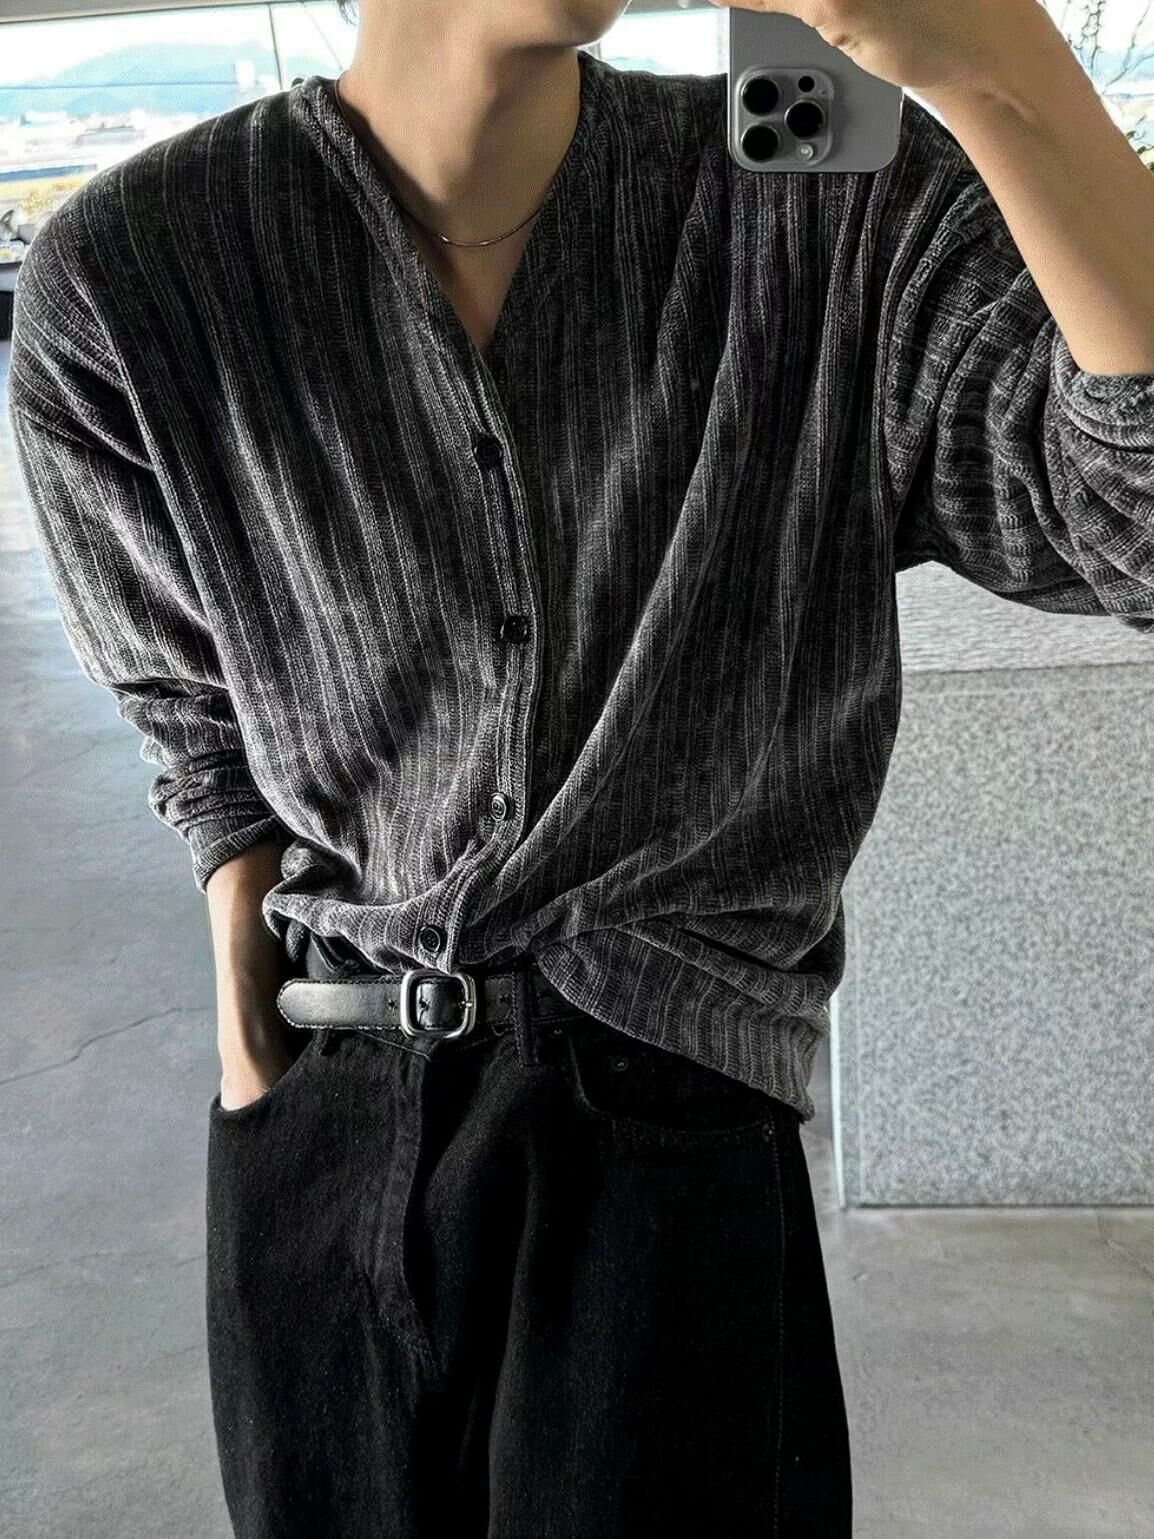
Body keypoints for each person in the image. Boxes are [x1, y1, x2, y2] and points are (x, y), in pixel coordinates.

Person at [9, 0, 1152, 1530]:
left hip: (671, 1118)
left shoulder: (822, 215)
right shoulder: (137, 269)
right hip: (325, 1105)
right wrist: (252, 1034)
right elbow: (192, 711)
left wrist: (1001, 71)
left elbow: (1133, 525)